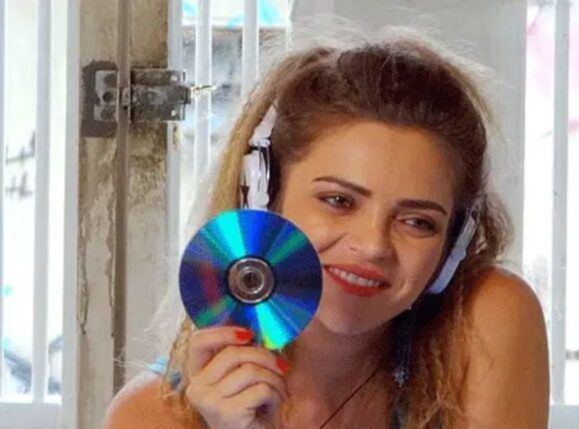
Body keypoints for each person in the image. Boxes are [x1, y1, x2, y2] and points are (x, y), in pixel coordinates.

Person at [104, 29, 549, 429]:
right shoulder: (148, 418)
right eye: (339, 201)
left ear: (454, 245)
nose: (372, 246)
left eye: (417, 222)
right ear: (263, 195)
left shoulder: (487, 322)